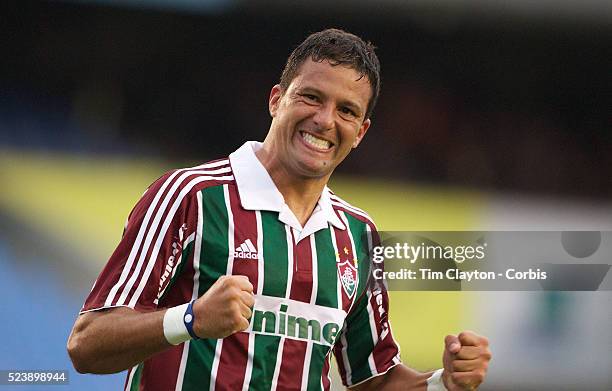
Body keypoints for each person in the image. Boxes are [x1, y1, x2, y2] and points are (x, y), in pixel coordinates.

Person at [67, 28, 491, 390]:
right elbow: (87, 344)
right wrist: (191, 318)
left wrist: (442, 382)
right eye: (311, 97)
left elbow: (372, 378)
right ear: (276, 100)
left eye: (346, 110)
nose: (325, 120)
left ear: (361, 132)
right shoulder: (191, 196)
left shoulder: (358, 235)